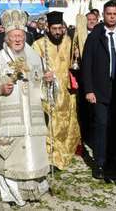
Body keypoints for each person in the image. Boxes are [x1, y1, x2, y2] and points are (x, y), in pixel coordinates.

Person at [0, 9, 52, 207]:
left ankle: (35, 190)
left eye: (20, 35)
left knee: (33, 155)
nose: (17, 39)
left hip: (32, 119)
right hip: (10, 121)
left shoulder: (35, 57)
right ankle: (13, 194)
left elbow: (43, 89)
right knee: (10, 160)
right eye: (13, 36)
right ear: (7, 38)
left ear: (24, 36)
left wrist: (49, 81)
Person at [81, 0, 116, 179]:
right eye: (109, 14)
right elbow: (87, 65)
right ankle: (99, 163)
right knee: (101, 126)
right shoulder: (94, 36)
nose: (112, 17)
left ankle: (113, 160)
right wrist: (89, 90)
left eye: (115, 14)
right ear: (103, 14)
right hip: (99, 91)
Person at [32, 11, 81, 171]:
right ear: (47, 28)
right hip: (48, 93)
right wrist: (42, 75)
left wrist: (77, 56)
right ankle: (51, 157)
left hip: (67, 93)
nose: (58, 32)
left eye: (60, 28)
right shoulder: (38, 45)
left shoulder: (69, 42)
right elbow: (32, 70)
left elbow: (76, 64)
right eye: (54, 28)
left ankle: (65, 152)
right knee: (51, 126)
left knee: (67, 124)